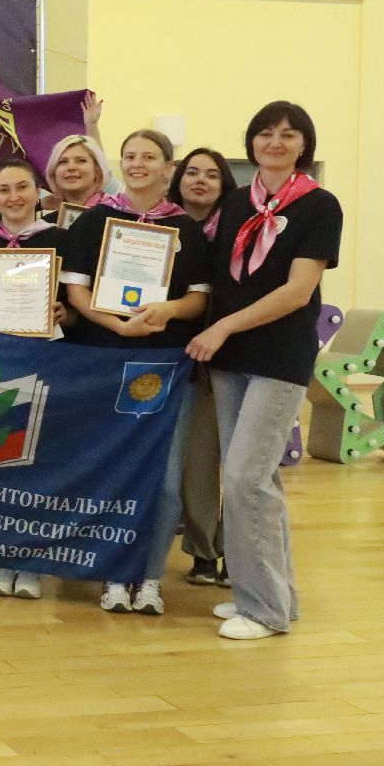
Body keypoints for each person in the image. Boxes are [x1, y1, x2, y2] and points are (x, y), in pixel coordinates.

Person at [188, 101, 340, 641]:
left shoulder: (319, 205)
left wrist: (223, 327)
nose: (275, 141)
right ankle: (279, 597)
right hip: (231, 359)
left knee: (245, 478)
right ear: (251, 142)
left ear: (304, 146)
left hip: (279, 357)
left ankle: (263, 610)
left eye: (289, 134)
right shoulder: (236, 202)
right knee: (258, 479)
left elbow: (298, 292)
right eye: (266, 132)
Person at [62, 130, 211, 617]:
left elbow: (199, 299)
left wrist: (168, 310)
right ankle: (112, 575)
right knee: (110, 472)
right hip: (103, 363)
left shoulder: (187, 231)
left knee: (165, 482)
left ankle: (149, 578)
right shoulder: (94, 222)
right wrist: (118, 325)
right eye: (130, 156)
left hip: (165, 368)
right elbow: (77, 292)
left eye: (149, 157)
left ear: (168, 168)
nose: (138, 164)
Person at [0, 159, 74, 599]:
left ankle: (32, 565)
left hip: (47, 362)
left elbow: (79, 303)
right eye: (3, 190)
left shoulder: (62, 240)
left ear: (37, 191)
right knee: (1, 459)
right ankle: (1, 558)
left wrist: (68, 312)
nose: (13, 197)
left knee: (40, 462)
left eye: (21, 187)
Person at [169, 148, 239, 585]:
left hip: (239, 353)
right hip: (185, 358)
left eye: (211, 175)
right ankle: (203, 552)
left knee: (241, 462)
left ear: (223, 184)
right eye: (192, 172)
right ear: (177, 180)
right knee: (198, 460)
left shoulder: (239, 230)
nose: (200, 180)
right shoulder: (162, 228)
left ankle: (237, 550)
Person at [42, 133, 113, 215]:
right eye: (63, 162)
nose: (71, 167)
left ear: (97, 171)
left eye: (81, 160)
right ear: (54, 173)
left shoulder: (115, 213)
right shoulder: (45, 220)